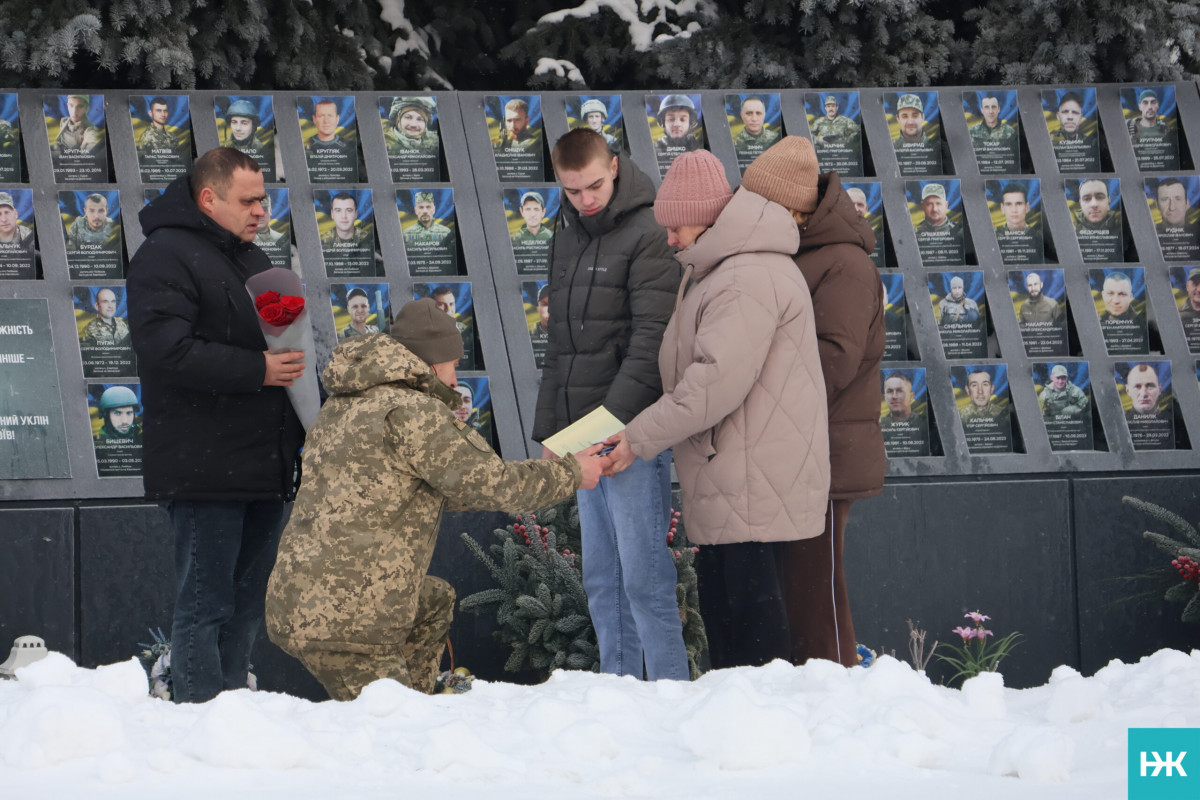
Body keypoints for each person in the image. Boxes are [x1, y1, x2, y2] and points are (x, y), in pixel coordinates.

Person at [266, 298, 604, 700]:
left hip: (298, 599)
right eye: (452, 363)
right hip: (351, 620)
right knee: (394, 735)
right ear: (430, 364)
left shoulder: (345, 405)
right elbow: (493, 484)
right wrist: (572, 473)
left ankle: (419, 698)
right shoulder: (412, 411)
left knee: (433, 599)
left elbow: (426, 488)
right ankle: (411, 719)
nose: (455, 374)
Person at [601, 149, 829, 671]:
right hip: (736, 476)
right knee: (734, 630)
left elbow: (711, 383)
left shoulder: (743, 277)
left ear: (704, 216)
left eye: (676, 225)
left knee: (751, 644)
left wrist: (638, 437)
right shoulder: (719, 268)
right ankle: (739, 739)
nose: (670, 238)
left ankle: (758, 744)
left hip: (751, 482)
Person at [126, 147, 306, 704]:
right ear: (209, 198)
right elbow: (165, 351)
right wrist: (259, 369)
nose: (261, 211)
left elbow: (287, 349)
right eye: (248, 200)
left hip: (263, 464)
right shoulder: (164, 256)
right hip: (205, 467)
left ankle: (232, 715)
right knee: (206, 604)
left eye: (264, 199)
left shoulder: (255, 260)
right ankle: (197, 719)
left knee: (247, 604)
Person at [533, 128, 686, 681]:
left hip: (628, 432)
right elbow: (561, 345)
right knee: (601, 575)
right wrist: (553, 435)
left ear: (615, 167)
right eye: (572, 191)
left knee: (644, 577)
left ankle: (669, 692)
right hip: (582, 433)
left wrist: (614, 429)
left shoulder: (648, 229)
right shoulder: (567, 229)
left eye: (594, 185)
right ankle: (617, 694)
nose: (585, 199)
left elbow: (652, 343)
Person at [738, 135, 884, 667]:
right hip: (800, 443)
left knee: (816, 589)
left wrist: (759, 398)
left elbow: (833, 361)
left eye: (760, 204)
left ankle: (835, 687)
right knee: (801, 588)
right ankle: (819, 688)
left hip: (824, 450)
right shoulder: (800, 256)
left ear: (791, 209)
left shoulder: (843, 265)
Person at [306, 98, 357, 178]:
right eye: (321, 116)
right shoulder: (304, 145)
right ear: (314, 119)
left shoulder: (350, 146)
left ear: (337, 119)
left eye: (330, 116)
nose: (326, 121)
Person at [995, 183, 1043, 249]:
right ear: (1002, 208)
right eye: (1008, 204)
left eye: (1019, 204)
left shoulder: (1039, 237)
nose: (1014, 210)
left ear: (1027, 207)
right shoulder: (992, 236)